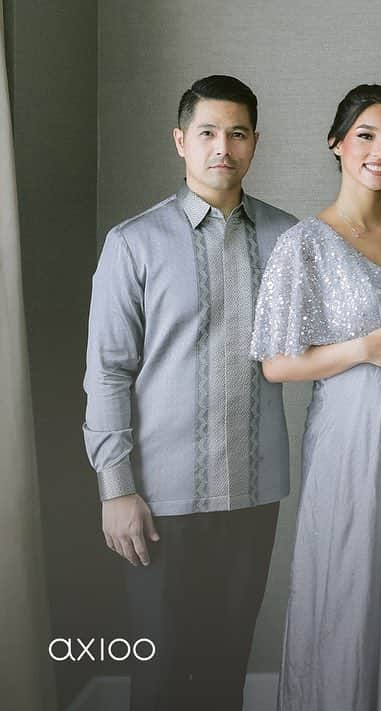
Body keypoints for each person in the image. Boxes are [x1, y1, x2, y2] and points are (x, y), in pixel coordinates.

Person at [83, 75, 297, 710]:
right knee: (162, 668)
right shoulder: (133, 243)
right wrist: (115, 488)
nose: (222, 148)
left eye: (236, 134)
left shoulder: (288, 239)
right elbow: (107, 372)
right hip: (160, 496)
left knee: (225, 665)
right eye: (207, 133)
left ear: (256, 142)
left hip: (255, 490)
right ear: (181, 141)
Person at [249, 84, 381, 711]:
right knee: (353, 580)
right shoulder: (304, 243)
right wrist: (363, 349)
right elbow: (275, 364)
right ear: (337, 143)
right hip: (350, 439)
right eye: (366, 135)